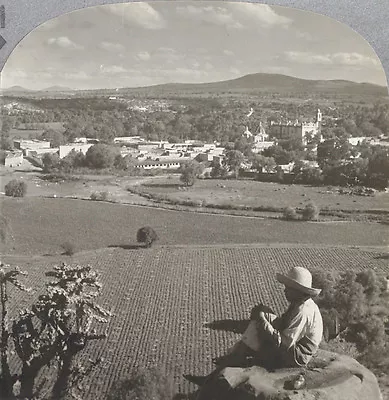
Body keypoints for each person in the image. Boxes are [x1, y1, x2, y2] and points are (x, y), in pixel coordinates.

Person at [184, 267, 323, 394]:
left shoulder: (302, 311)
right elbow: (283, 324)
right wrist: (263, 314)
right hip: (292, 345)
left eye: (288, 288)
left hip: (295, 356)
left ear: (297, 290)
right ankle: (235, 356)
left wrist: (263, 321)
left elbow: (284, 342)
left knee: (258, 324)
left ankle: (232, 359)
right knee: (260, 317)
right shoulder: (299, 303)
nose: (284, 290)